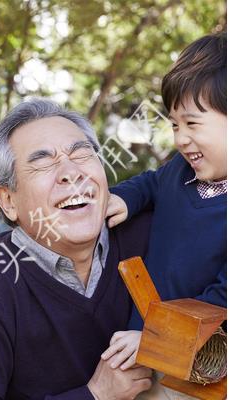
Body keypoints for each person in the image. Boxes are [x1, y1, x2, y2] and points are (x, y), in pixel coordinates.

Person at [0, 98, 153, 400]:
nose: (71, 173)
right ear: (9, 200)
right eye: (43, 162)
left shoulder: (146, 232)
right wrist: (95, 395)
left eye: (82, 154)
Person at [101, 32, 227, 379]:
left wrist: (155, 340)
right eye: (174, 124)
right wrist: (125, 198)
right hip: (138, 340)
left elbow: (223, 298)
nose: (180, 138)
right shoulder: (180, 171)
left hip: (193, 366)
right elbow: (152, 181)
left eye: (192, 123)